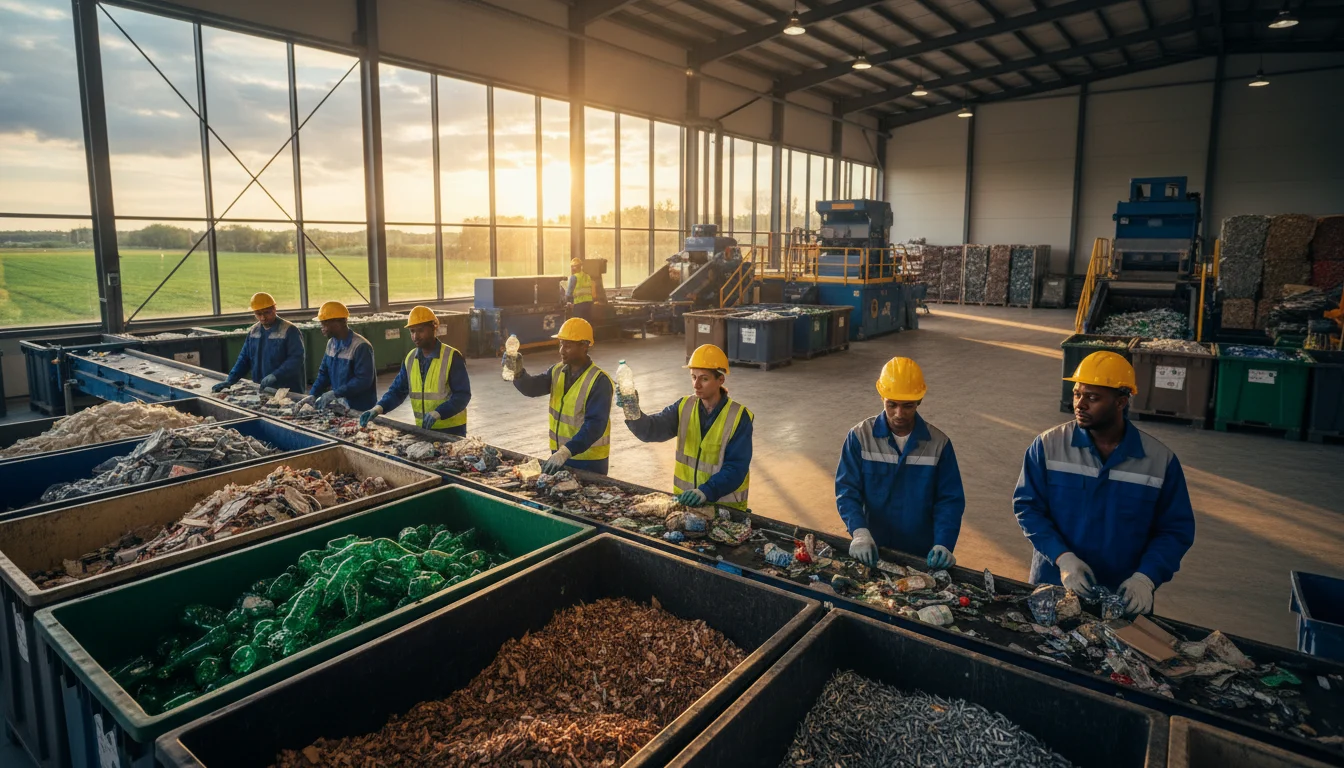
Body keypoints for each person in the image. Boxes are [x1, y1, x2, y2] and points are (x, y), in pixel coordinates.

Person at [1013, 351, 1195, 617]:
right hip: (1057, 582)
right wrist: (1063, 559)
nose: (1080, 404)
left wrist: (1146, 578)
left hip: (1123, 595)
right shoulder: (1047, 446)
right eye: (1077, 394)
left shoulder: (1159, 461)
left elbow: (1175, 530)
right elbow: (1028, 508)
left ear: (1121, 401)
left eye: (1093, 397)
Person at [836, 357, 965, 570]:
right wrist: (859, 532)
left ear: (919, 401)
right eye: (892, 404)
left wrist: (944, 542)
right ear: (882, 397)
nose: (899, 414)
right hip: (873, 547)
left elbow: (949, 500)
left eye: (908, 406)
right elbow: (847, 490)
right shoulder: (860, 437)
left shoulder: (938, 444)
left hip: (922, 552)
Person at [622, 344, 753, 510]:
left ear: (720, 380)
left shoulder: (739, 417)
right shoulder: (684, 406)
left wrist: (706, 491)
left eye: (704, 378)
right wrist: (632, 409)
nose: (696, 385)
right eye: (693, 377)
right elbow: (650, 430)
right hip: (686, 503)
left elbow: (736, 468)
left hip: (725, 507)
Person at [505, 317, 612, 475]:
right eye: (561, 344)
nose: (562, 350)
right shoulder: (557, 371)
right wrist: (518, 372)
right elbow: (532, 388)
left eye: (568, 346)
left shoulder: (599, 381)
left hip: (588, 460)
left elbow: (595, 426)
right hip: (559, 456)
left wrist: (566, 451)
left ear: (584, 346)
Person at [359, 306, 470, 435]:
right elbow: (397, 391)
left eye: (420, 330)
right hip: (424, 428)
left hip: (452, 429)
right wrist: (378, 408)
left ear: (434, 327)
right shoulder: (410, 358)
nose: (415, 336)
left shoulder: (451, 357)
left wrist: (439, 412)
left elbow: (463, 395)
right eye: (412, 331)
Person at [211, 292, 305, 393]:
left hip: (287, 390)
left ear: (274, 309)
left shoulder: (289, 330)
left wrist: (276, 375)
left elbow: (296, 359)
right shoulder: (253, 331)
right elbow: (244, 359)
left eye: (267, 312)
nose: (263, 318)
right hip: (261, 388)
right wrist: (230, 380)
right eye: (258, 314)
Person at [296, 301, 377, 412]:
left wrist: (336, 393)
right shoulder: (331, 344)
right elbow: (324, 374)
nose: (322, 328)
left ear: (340, 323)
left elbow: (363, 380)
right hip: (340, 404)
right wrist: (313, 395)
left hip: (360, 406)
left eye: (325, 324)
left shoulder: (360, 346)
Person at [565, 257, 604, 323]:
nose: (572, 269)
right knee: (587, 324)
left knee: (578, 324)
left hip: (579, 305)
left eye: (572, 267)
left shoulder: (574, 277)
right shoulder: (588, 276)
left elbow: (569, 293)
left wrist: (567, 301)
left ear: (574, 267)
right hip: (589, 304)